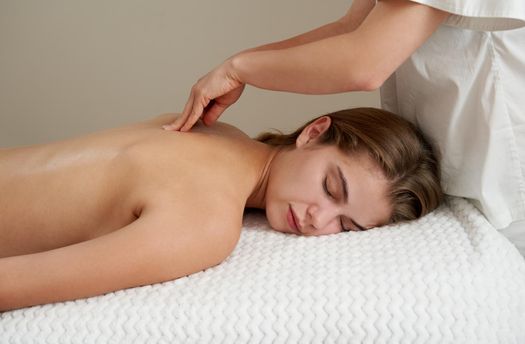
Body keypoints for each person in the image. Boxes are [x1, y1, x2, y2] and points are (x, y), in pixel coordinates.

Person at [163, 0, 525, 256]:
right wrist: (234, 65)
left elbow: (364, 65)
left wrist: (239, 70)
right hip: (464, 173)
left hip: (509, 177)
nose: (316, 220)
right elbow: (350, 29)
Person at [0, 107, 441, 311]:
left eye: (346, 226)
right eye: (330, 186)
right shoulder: (208, 224)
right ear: (313, 132)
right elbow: (13, 286)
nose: (317, 219)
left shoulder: (218, 129)